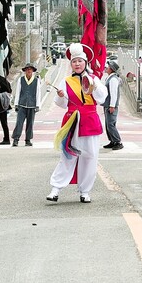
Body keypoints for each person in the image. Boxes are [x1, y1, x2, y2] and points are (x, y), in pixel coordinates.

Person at [47, 43, 108, 203]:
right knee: (68, 155)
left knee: (90, 156)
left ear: (85, 62)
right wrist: (61, 95)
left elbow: (102, 98)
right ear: (71, 64)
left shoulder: (94, 79)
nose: (77, 64)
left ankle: (85, 191)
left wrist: (93, 87)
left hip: (90, 121)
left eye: (80, 61)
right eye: (74, 62)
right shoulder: (66, 81)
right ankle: (55, 188)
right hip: (72, 121)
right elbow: (60, 103)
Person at [12, 62, 40, 146]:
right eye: (27, 69)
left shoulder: (36, 80)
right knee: (19, 122)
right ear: (25, 71)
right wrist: (16, 104)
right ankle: (16, 139)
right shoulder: (21, 80)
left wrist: (38, 105)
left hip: (32, 105)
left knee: (30, 123)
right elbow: (18, 92)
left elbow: (38, 93)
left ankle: (28, 139)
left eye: (30, 69)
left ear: (32, 71)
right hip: (22, 104)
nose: (29, 71)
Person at [102, 61, 124, 150]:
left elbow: (113, 93)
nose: (106, 68)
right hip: (107, 104)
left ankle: (118, 141)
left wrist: (112, 106)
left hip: (110, 105)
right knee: (108, 124)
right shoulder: (110, 78)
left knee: (111, 124)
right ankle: (112, 141)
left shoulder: (113, 79)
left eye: (108, 67)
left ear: (111, 69)